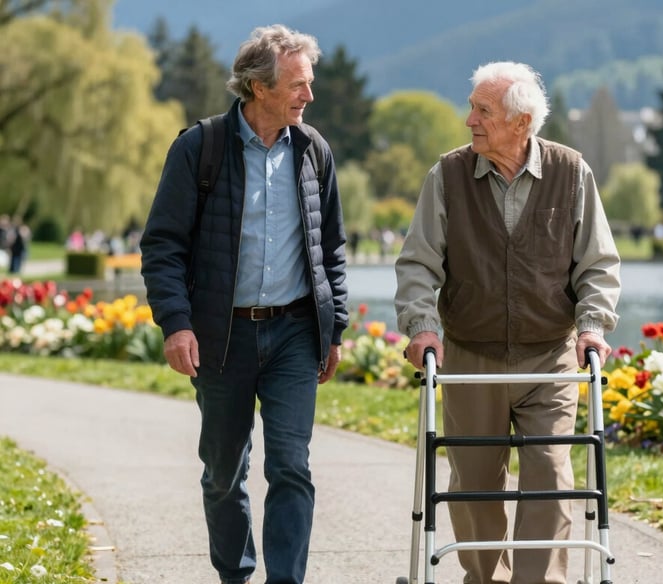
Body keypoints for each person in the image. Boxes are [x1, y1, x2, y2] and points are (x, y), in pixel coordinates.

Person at [395, 61, 620, 584]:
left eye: (482, 110)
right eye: (472, 106)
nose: (468, 119)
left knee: (550, 473)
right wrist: (421, 325)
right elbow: (418, 262)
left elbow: (599, 263)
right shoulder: (447, 175)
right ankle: (485, 579)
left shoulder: (571, 171)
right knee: (474, 483)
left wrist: (593, 325)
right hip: (472, 354)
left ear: (521, 121)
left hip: (550, 355)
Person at [140, 24, 348, 584]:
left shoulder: (313, 150)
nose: (309, 95)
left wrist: (335, 330)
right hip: (220, 337)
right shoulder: (199, 148)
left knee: (292, 466)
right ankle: (236, 575)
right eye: (299, 84)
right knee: (224, 471)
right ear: (258, 87)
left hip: (294, 336)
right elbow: (162, 245)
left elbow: (331, 249)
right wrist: (177, 325)